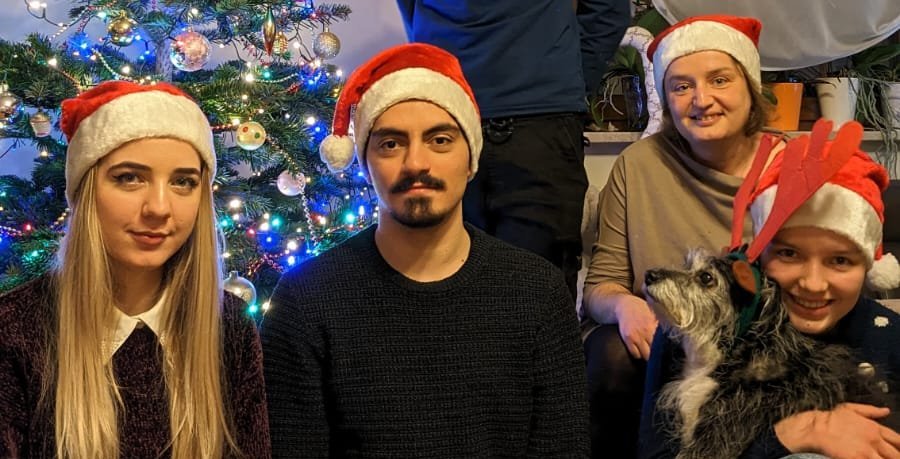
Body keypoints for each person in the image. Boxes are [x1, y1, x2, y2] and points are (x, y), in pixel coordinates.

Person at [263, 43, 589, 457]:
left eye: (439, 139)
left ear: (471, 158)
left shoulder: (536, 292)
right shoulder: (305, 300)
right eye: (391, 144)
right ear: (365, 163)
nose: (416, 162)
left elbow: (563, 448)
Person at [0, 81, 270, 458]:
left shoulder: (228, 327)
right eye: (129, 177)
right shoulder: (14, 331)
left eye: (183, 182)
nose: (159, 208)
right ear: (86, 189)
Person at [581, 15, 781, 457]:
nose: (701, 100)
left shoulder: (790, 166)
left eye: (720, 80)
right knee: (611, 352)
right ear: (667, 100)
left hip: (757, 341)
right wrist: (624, 305)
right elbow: (598, 288)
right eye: (681, 86)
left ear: (750, 87)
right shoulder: (638, 165)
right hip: (661, 342)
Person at [639, 121, 900, 458]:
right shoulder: (691, 329)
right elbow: (656, 451)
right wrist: (787, 436)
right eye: (789, 254)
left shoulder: (888, 337)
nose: (813, 283)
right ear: (757, 257)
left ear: (868, 268)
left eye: (840, 261)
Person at [395, 0, 631, 300]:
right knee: (444, 285)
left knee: (537, 291)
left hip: (534, 117)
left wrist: (564, 81)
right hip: (452, 110)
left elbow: (608, 12)